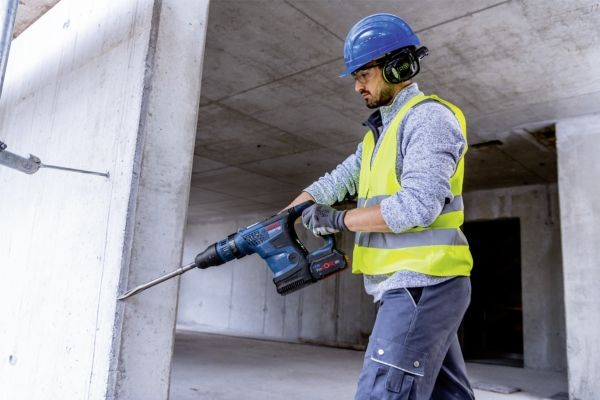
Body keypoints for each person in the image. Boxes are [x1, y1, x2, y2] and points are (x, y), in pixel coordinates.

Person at [284, 13, 475, 400]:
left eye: (363, 75)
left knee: (382, 393)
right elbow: (335, 182)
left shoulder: (429, 119)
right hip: (413, 287)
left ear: (397, 67)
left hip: (423, 281)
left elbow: (417, 206)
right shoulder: (378, 136)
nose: (357, 86)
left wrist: (338, 219)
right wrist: (281, 220)